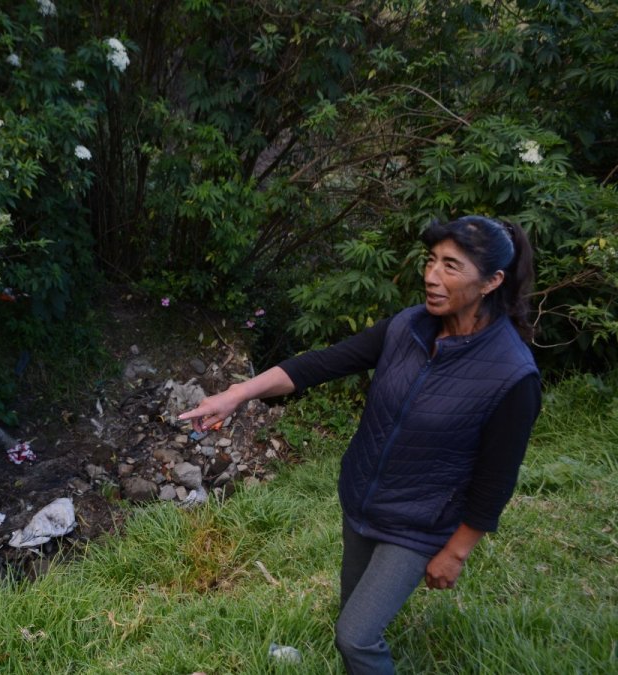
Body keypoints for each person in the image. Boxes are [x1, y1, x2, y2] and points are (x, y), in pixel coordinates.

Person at [179, 216, 540, 674]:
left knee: (356, 636)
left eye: (451, 266)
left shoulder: (511, 374)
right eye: (431, 261)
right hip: (364, 501)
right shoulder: (408, 327)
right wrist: (237, 394)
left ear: (492, 281)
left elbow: (497, 477)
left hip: (419, 523)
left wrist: (455, 552)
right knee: (351, 618)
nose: (431, 276)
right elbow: (322, 364)